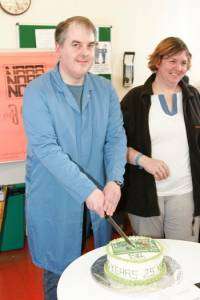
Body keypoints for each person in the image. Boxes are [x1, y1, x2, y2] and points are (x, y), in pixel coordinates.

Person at [23, 16, 127, 300]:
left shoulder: (105, 90)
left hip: (98, 200)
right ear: (58, 48)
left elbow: (115, 138)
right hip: (56, 200)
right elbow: (46, 149)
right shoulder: (37, 92)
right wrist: (87, 189)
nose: (85, 52)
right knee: (58, 277)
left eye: (91, 45)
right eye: (76, 44)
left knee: (97, 274)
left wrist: (115, 180)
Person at [120, 37, 200, 242]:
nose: (179, 68)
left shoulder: (193, 97)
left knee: (184, 256)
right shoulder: (135, 99)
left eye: (183, 62)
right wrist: (144, 160)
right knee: (149, 256)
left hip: (185, 193)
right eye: (172, 61)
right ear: (158, 62)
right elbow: (115, 145)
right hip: (145, 195)